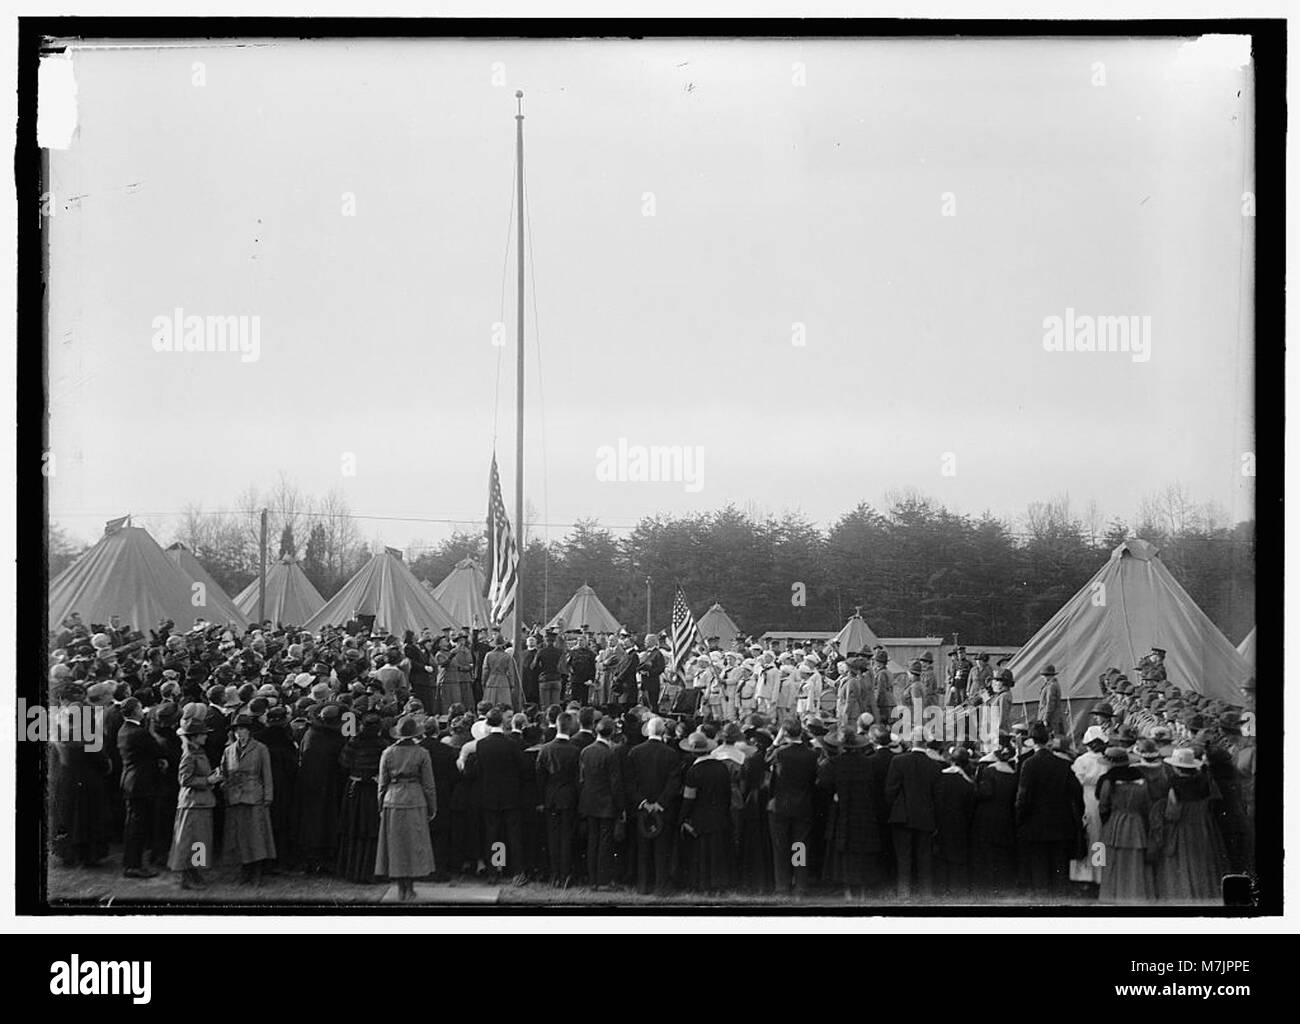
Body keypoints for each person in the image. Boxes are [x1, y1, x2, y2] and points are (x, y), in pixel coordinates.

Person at [1014, 724, 1084, 897]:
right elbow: (1077, 793)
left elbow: (1023, 797)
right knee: (1059, 868)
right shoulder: (1064, 764)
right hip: (1061, 825)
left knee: (1039, 869)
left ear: (1031, 741)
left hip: (1035, 825)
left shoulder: (1028, 764)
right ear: (1049, 740)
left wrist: (1020, 820)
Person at [375, 714, 439, 901]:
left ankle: (400, 887)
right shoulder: (422, 753)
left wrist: (380, 805)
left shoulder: (387, 753)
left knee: (395, 844)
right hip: (415, 797)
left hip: (392, 799)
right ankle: (409, 887)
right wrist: (432, 806)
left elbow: (382, 783)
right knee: (413, 843)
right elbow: (429, 785)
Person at [816, 729, 881, 899]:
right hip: (864, 812)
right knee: (862, 851)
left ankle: (848, 892)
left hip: (841, 812)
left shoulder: (832, 764)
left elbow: (823, 785)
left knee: (843, 852)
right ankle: (863, 891)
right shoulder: (869, 763)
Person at [1157, 747, 1228, 903]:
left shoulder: (1174, 786)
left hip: (1182, 829)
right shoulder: (1206, 781)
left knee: (1183, 862)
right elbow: (1215, 802)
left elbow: (1172, 813)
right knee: (1203, 861)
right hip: (1204, 827)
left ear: (1176, 767)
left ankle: (1185, 896)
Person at [466, 708, 529, 882]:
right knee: (513, 835)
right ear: (502, 722)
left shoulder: (481, 745)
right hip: (511, 795)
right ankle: (517, 871)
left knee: (493, 835)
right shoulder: (511, 744)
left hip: (489, 796)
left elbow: (479, 770)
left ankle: (495, 870)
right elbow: (523, 768)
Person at [218, 713, 277, 886]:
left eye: (243, 729)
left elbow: (267, 774)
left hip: (254, 796)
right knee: (239, 837)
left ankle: (257, 871)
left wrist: (268, 796)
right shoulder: (228, 750)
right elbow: (224, 773)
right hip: (235, 798)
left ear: (250, 731)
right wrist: (224, 788)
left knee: (256, 836)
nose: (239, 733)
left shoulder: (260, 749)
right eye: (237, 730)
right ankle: (245, 869)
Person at [627, 715, 682, 895]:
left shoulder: (635, 752)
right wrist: (660, 803)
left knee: (643, 849)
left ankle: (643, 886)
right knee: (661, 849)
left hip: (643, 807)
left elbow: (631, 782)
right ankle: (661, 886)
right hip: (662, 808)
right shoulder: (671, 753)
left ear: (648, 731)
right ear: (663, 731)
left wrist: (643, 802)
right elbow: (674, 783)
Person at [885, 727, 942, 898]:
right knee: (924, 858)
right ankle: (926, 894)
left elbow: (890, 791)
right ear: (926, 742)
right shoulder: (935, 766)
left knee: (903, 858)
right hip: (925, 817)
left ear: (911, 740)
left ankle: (904, 894)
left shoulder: (898, 761)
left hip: (901, 817)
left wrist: (895, 808)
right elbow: (937, 796)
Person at [767, 716, 820, 896]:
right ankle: (801, 884)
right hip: (803, 804)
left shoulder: (780, 753)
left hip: (780, 804)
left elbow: (766, 760)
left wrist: (775, 741)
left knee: (780, 847)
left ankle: (782, 885)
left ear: (786, 733)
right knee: (800, 845)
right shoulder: (812, 754)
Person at [336, 705, 388, 883]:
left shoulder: (353, 742)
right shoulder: (382, 745)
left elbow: (343, 763)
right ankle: (371, 869)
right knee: (371, 829)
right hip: (371, 791)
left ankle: (352, 869)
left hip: (355, 790)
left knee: (354, 828)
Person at [1096, 746, 1154, 904]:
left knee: (1110, 859)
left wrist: (1106, 820)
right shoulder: (1141, 778)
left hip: (1116, 822)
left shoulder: (1109, 780)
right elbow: (1146, 804)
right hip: (1136, 822)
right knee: (1134, 860)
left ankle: (1111, 894)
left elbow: (1103, 804)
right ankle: (1134, 893)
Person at [169, 702, 217, 891]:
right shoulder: (189, 755)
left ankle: (196, 872)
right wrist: (209, 780)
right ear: (195, 736)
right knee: (191, 841)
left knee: (200, 841)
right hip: (193, 803)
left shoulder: (197, 751)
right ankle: (187, 876)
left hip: (201, 802)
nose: (206, 736)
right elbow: (185, 779)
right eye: (203, 734)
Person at [295, 703, 347, 874]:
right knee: (328, 822)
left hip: (308, 785)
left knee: (310, 822)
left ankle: (310, 857)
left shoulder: (309, 734)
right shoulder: (337, 738)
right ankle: (324, 858)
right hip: (330, 786)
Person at [678, 729, 732, 892]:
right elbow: (727, 793)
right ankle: (719, 883)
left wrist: (682, 817)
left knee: (701, 853)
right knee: (717, 851)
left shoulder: (694, 771)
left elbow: (689, 798)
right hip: (719, 814)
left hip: (699, 816)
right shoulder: (721, 767)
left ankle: (702, 883)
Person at [117, 697, 164, 879]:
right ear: (135, 711)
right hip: (140, 783)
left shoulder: (124, 730)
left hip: (130, 781)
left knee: (132, 825)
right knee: (138, 827)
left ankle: (131, 862)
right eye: (139, 708)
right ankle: (133, 865)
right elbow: (158, 750)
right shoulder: (139, 732)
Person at [578, 717, 624, 890]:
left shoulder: (585, 751)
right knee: (605, 843)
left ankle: (592, 880)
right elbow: (616, 784)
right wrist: (620, 807)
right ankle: (603, 880)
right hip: (606, 804)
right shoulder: (611, 754)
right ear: (611, 733)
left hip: (589, 802)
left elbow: (581, 779)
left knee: (592, 841)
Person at [535, 711, 581, 885]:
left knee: (553, 838)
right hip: (569, 799)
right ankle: (565, 874)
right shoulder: (575, 751)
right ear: (570, 728)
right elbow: (578, 779)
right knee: (567, 838)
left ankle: (555, 874)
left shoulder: (545, 749)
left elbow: (540, 777)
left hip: (550, 798)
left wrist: (541, 800)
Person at [972, 744, 1018, 897]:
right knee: (1002, 854)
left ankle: (988, 886)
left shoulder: (989, 771)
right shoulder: (1013, 774)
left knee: (988, 853)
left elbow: (985, 793)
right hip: (1006, 817)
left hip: (987, 817)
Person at [1070, 725, 1110, 886]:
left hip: (1086, 798)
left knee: (1086, 836)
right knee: (1098, 838)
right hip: (1100, 798)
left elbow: (1076, 781)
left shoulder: (1081, 761)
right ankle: (1098, 874)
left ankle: (1085, 875)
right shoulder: (1106, 760)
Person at [934, 746, 976, 898]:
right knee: (957, 860)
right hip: (960, 826)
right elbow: (970, 810)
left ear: (951, 760)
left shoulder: (939, 779)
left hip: (941, 824)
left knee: (941, 857)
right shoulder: (968, 785)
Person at [482, 637, 521, 709]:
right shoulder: (507, 656)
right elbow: (511, 672)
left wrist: (483, 682)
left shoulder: (488, 655)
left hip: (491, 681)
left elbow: (485, 670)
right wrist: (512, 684)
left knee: (490, 704)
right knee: (504, 704)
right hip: (503, 681)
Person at [1036, 665, 1065, 736]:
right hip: (1050, 717)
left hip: (1051, 718)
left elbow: (1050, 703)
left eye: (1044, 675)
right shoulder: (1050, 685)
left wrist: (1046, 718)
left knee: (1051, 736)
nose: (1043, 678)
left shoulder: (1051, 686)